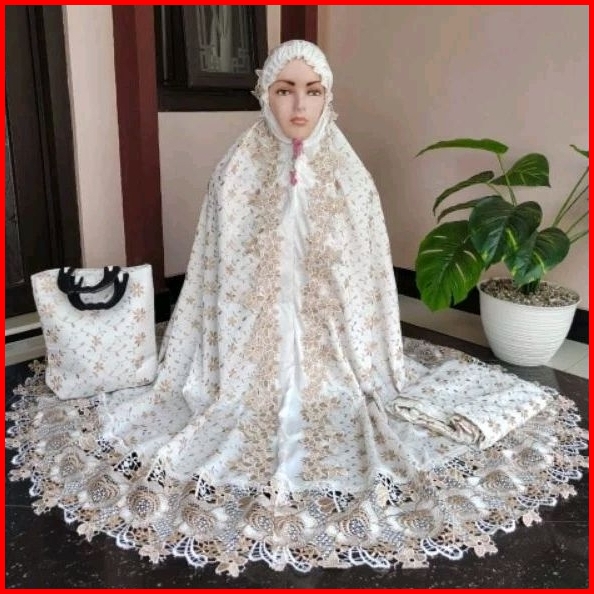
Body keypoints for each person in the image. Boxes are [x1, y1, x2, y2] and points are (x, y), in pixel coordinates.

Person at [6, 40, 588, 577]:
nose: (299, 105)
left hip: (335, 353)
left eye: (313, 90)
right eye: (284, 90)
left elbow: (367, 277)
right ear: (264, 94)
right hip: (247, 357)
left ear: (329, 96)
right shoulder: (235, 170)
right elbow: (215, 270)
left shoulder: (350, 176)